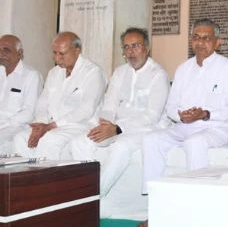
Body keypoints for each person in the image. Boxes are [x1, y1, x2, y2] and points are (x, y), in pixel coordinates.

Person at [138, 19, 228, 227]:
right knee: (151, 140)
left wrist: (205, 114)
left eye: (206, 38)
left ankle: (197, 210)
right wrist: (181, 115)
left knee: (195, 142)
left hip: (218, 127)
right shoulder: (183, 69)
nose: (200, 43)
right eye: (196, 37)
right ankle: (156, 209)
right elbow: (170, 107)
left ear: (217, 42)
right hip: (184, 126)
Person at [68, 28, 169, 196]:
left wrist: (116, 128)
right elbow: (109, 106)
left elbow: (151, 116)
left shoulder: (158, 74)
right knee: (79, 142)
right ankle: (88, 185)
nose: (130, 52)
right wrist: (106, 125)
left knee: (121, 147)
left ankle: (93, 195)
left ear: (147, 48)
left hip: (147, 129)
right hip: (115, 126)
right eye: (126, 47)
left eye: (135, 46)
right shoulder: (120, 72)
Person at [13, 32, 106, 159]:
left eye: (62, 53)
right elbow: (42, 102)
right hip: (51, 125)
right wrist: (39, 125)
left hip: (79, 125)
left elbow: (86, 110)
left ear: (77, 50)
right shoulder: (54, 73)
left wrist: (50, 127)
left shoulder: (93, 72)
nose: (57, 59)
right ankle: (28, 176)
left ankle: (46, 178)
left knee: (49, 140)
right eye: (54, 53)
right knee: (20, 138)